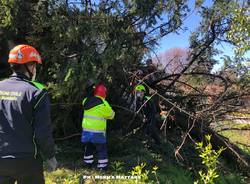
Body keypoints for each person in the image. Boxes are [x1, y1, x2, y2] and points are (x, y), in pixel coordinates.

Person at [0, 44, 57, 184]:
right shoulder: (36, 92)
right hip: (27, 160)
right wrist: (50, 156)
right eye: (35, 65)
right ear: (30, 66)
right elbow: (42, 131)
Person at [81, 83, 115, 171]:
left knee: (89, 147)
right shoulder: (104, 103)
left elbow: (84, 100)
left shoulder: (86, 101)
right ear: (104, 93)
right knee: (101, 149)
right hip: (98, 132)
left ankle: (87, 164)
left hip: (86, 131)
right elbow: (111, 115)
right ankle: (102, 167)